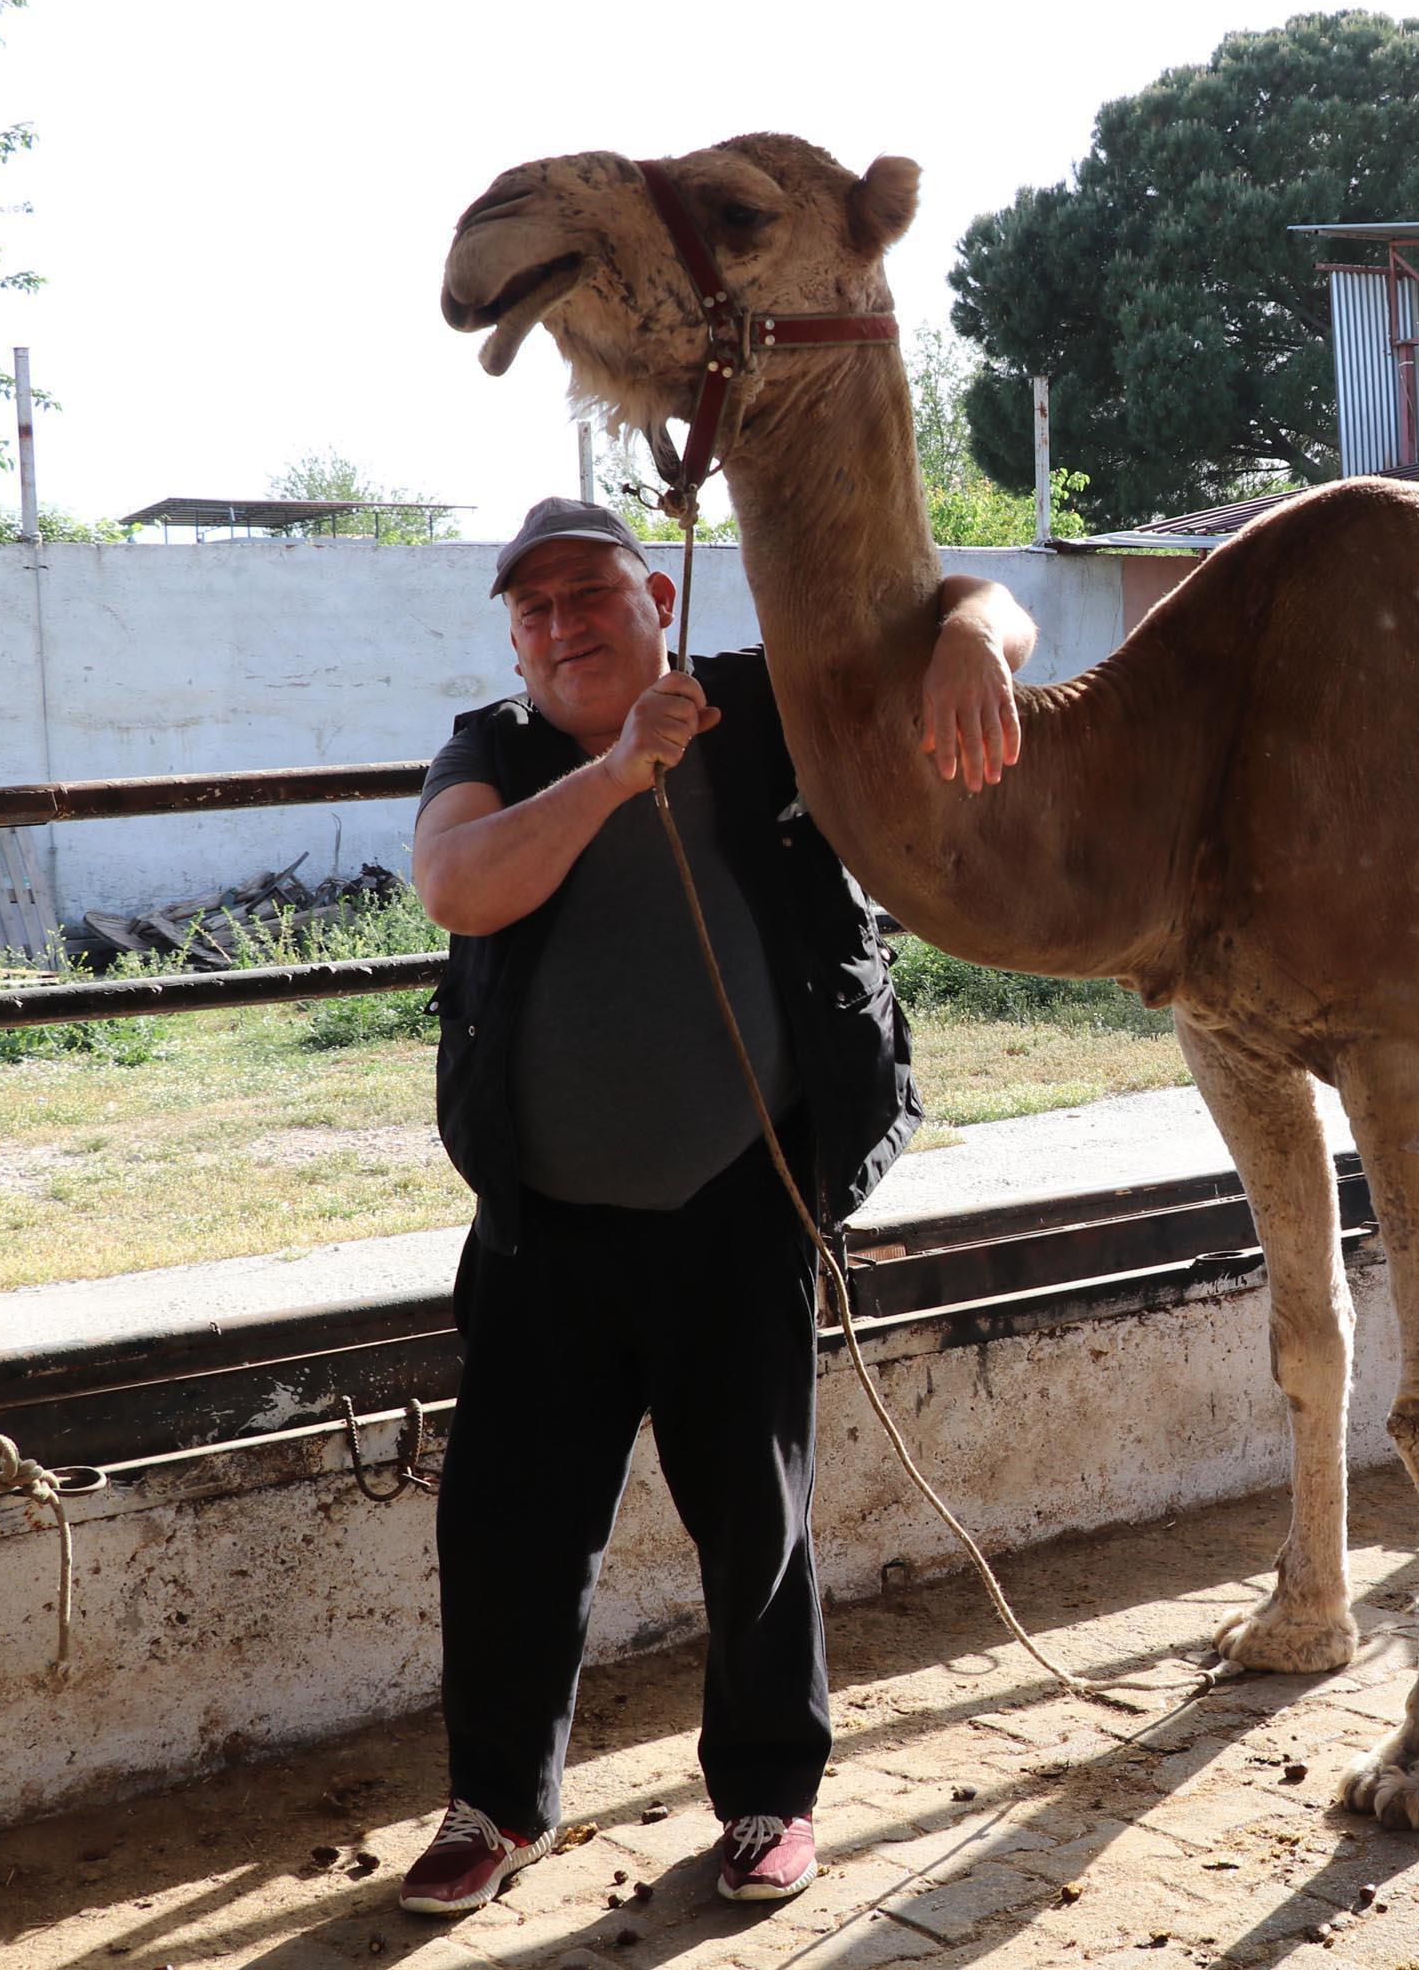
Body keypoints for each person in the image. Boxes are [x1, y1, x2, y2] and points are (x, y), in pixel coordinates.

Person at [397, 498, 1034, 1915]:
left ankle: (765, 1800)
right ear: (515, 638)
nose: (565, 628)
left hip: (735, 1208)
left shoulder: (758, 705)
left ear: (656, 602)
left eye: (591, 597)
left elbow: (970, 598)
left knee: (758, 1525)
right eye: (535, 612)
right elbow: (457, 885)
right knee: (507, 1530)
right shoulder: (491, 751)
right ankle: (497, 1807)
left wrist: (980, 642)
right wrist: (621, 772)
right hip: (542, 1227)